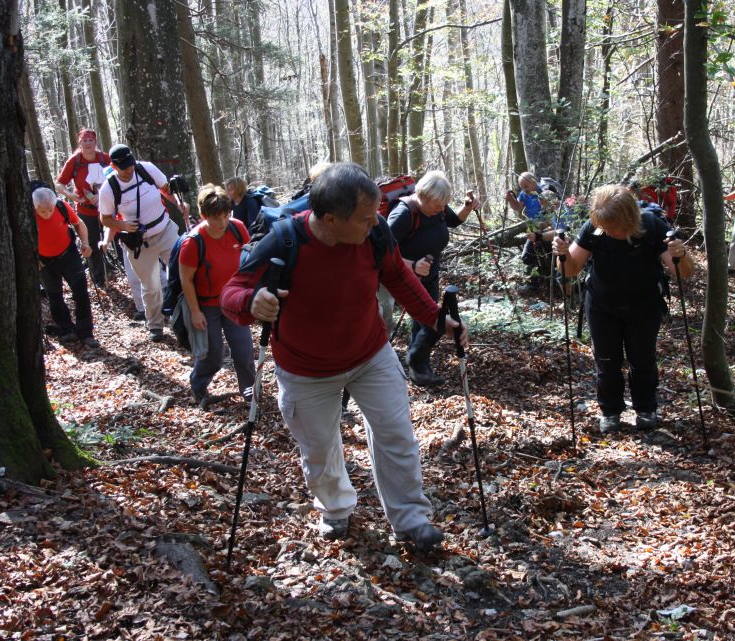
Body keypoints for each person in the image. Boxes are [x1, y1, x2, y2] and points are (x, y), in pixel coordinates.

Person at [221, 162, 466, 550]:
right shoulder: (285, 240)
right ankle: (334, 509)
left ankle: (410, 519)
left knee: (396, 433)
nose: (374, 224)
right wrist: (253, 301)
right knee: (319, 447)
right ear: (331, 219)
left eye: (375, 217)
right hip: (305, 369)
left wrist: (435, 319)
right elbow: (231, 294)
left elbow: (398, 277)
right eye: (365, 219)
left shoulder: (375, 231)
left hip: (370, 353)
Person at [552, 184, 693, 433]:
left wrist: (681, 254)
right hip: (601, 305)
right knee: (606, 360)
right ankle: (610, 411)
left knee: (643, 359)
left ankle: (646, 408)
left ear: (629, 218)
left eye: (613, 227)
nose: (609, 231)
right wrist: (561, 254)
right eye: (604, 226)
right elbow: (570, 269)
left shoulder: (652, 226)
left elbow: (683, 273)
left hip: (644, 304)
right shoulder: (594, 229)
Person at [386, 171, 479, 386]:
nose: (441, 209)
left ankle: (420, 369)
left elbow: (454, 221)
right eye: (438, 204)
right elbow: (380, 251)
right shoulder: (403, 214)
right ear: (424, 196)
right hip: (405, 280)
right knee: (433, 321)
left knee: (424, 325)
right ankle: (416, 360)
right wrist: (412, 265)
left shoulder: (437, 208)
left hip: (430, 276)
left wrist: (467, 207)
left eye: (443, 204)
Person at [98, 144, 182, 341]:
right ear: (114, 166)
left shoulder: (146, 169)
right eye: (124, 167)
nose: (129, 170)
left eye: (131, 165)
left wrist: (179, 203)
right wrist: (122, 225)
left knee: (180, 273)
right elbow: (105, 218)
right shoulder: (108, 189)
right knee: (151, 285)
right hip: (139, 243)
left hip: (165, 230)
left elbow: (165, 189)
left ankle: (183, 317)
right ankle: (155, 325)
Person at [179, 185, 254, 403]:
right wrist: (195, 312)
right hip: (207, 305)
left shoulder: (237, 229)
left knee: (243, 351)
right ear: (203, 216)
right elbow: (187, 279)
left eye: (225, 216)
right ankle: (198, 384)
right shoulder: (193, 243)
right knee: (214, 356)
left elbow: (249, 261)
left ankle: (249, 390)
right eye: (215, 218)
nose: (221, 223)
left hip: (234, 301)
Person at [33, 186, 100, 349]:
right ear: (35, 207)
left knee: (81, 293)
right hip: (45, 262)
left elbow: (79, 224)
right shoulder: (27, 214)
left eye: (50, 209)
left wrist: (85, 244)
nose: (47, 213)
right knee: (54, 296)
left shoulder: (62, 207)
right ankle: (67, 329)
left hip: (69, 255)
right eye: (42, 211)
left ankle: (86, 333)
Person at [55, 128, 112, 289]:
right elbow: (59, 184)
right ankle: (99, 279)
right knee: (92, 243)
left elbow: (117, 176)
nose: (88, 143)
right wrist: (71, 195)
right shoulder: (75, 161)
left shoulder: (104, 158)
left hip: (107, 207)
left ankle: (123, 271)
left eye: (90, 140)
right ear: (80, 143)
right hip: (86, 210)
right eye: (84, 141)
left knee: (115, 237)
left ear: (95, 142)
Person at [505, 172, 556, 295]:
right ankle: (534, 285)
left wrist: (543, 227)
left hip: (548, 230)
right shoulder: (524, 194)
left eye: (526, 187)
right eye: (522, 188)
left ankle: (548, 286)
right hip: (533, 229)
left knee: (545, 256)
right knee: (528, 256)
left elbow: (554, 214)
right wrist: (511, 199)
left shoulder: (545, 192)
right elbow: (518, 208)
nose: (525, 190)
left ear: (534, 182)